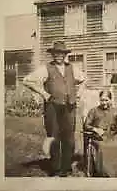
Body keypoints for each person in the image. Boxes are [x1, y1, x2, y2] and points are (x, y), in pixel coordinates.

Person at [23, 41, 86, 177]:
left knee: (69, 137)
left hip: (70, 106)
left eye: (61, 53)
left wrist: (79, 94)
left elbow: (84, 79)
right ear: (53, 54)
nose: (59, 56)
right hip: (52, 107)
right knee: (54, 136)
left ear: (65, 55)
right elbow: (27, 80)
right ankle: (56, 168)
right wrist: (44, 93)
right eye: (56, 53)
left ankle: (66, 167)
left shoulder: (72, 68)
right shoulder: (46, 68)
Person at [83, 90, 117, 177]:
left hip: (112, 137)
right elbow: (86, 125)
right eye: (102, 100)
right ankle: (106, 173)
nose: (104, 103)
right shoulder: (93, 111)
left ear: (110, 100)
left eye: (106, 100)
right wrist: (95, 129)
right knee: (104, 148)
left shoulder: (115, 111)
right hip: (98, 138)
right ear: (99, 100)